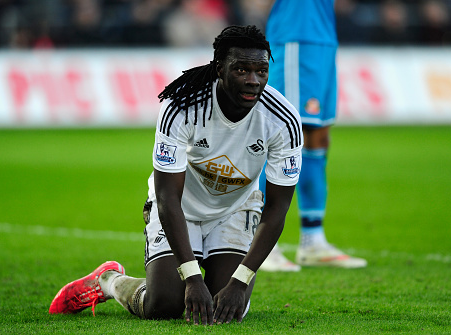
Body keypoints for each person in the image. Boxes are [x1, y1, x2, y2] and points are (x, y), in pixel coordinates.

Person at [48, 25, 303, 325]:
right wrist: (192, 278)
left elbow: (277, 209)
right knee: (165, 304)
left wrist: (241, 281)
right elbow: (167, 196)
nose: (253, 80)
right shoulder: (182, 106)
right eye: (241, 70)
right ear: (219, 69)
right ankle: (108, 280)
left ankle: (226, 281)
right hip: (179, 209)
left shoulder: (282, 120)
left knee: (228, 307)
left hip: (236, 210)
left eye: (261, 71)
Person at [259, 0, 367, 272]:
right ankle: (259, 242)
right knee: (282, 132)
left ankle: (313, 240)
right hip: (297, 34)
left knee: (318, 137)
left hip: (323, 39)